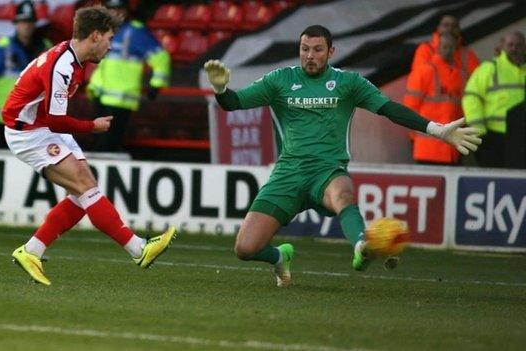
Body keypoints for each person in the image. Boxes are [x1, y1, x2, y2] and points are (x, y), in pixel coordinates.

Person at [204, 25, 481, 287]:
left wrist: (438, 130)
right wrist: (220, 89)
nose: (309, 56)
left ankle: (361, 246)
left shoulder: (348, 83)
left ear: (331, 52)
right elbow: (233, 103)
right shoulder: (280, 80)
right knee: (245, 248)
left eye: (317, 49)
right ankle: (280, 257)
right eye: (304, 49)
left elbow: (390, 109)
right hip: (287, 174)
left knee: (343, 194)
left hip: (327, 170)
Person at [5, 7, 177, 286]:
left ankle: (32, 251)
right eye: (109, 38)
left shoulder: (74, 58)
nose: (111, 45)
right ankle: (138, 249)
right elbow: (57, 120)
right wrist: (91, 126)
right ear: (95, 36)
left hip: (44, 126)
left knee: (84, 191)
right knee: (86, 187)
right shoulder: (61, 65)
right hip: (28, 131)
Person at [87, 0, 171, 152]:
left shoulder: (136, 32)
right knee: (99, 143)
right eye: (111, 9)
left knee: (107, 144)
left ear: (125, 12)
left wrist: (156, 84)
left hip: (121, 99)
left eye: (119, 9)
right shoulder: (104, 31)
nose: (114, 13)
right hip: (100, 95)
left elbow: (161, 58)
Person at [0, 1, 52, 148]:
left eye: (30, 21)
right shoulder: (2, 46)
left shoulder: (46, 47)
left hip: (33, 119)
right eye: (23, 21)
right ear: (16, 23)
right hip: (3, 119)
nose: (26, 25)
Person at [463, 31, 526, 168]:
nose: (514, 49)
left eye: (519, 45)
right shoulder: (489, 68)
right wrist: (478, 130)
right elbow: (471, 98)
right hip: (493, 137)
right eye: (510, 45)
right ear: (503, 46)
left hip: (521, 139)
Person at [404, 33, 466, 164]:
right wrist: (413, 136)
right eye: (444, 47)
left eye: (451, 47)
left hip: (451, 150)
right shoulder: (424, 71)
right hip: (427, 150)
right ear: (438, 48)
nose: (448, 51)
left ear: (456, 49)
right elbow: (410, 107)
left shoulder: (460, 76)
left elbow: (461, 111)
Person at [411, 14, 479, 80]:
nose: (450, 29)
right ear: (438, 28)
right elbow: (420, 79)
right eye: (446, 25)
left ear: (458, 31)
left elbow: (478, 80)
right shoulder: (425, 49)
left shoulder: (467, 54)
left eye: (454, 26)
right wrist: (441, 57)